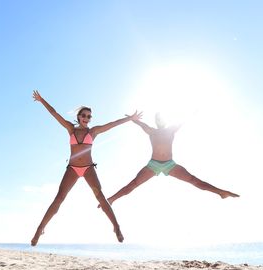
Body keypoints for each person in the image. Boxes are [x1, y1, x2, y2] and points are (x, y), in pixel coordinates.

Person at [30, 90, 142, 246]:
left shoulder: (93, 131)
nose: (86, 118)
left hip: (88, 168)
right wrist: (42, 100)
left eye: (89, 116)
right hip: (73, 168)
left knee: (101, 197)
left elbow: (111, 125)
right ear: (78, 117)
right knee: (59, 198)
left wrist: (130, 118)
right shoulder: (71, 129)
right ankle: (40, 229)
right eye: (84, 115)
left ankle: (116, 227)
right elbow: (55, 114)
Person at [106, 113, 240, 205]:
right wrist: (133, 118)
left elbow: (183, 120)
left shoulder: (171, 129)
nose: (159, 120)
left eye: (161, 118)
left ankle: (221, 192)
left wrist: (192, 112)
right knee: (134, 183)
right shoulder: (152, 131)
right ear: (156, 121)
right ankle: (112, 199)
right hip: (153, 164)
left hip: (170, 164)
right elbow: (140, 124)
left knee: (194, 180)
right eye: (157, 119)